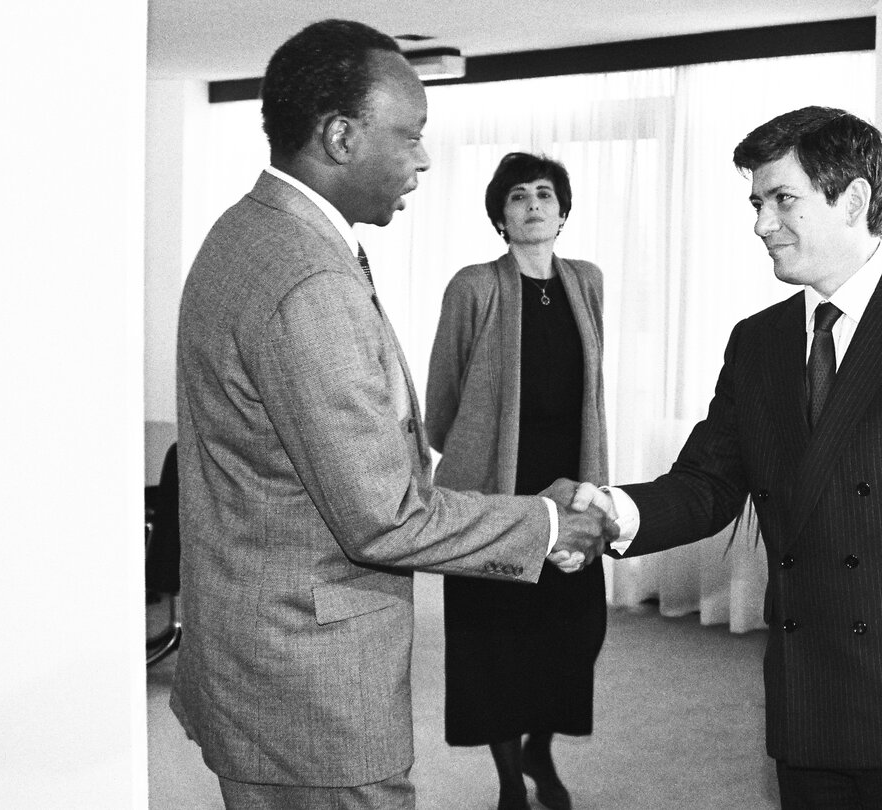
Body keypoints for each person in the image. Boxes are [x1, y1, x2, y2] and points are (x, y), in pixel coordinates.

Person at [169, 20, 614, 810]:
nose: (424, 158)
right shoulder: (308, 280)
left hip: (257, 656)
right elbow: (382, 517)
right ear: (341, 136)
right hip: (313, 687)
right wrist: (544, 526)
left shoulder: (249, 232)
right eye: (410, 134)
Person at [571, 106, 882, 809]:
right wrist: (614, 510)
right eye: (757, 203)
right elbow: (707, 484)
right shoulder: (757, 341)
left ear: (853, 199)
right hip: (809, 695)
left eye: (783, 200)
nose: (762, 224)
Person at [425, 152, 607, 810]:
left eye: (544, 194)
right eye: (518, 197)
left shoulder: (588, 281)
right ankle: (509, 782)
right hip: (495, 492)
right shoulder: (473, 285)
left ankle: (542, 749)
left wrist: (595, 483)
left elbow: (594, 389)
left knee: (574, 632)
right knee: (494, 642)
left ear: (563, 211)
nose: (533, 205)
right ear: (500, 216)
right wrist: (467, 454)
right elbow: (442, 393)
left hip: (570, 482)